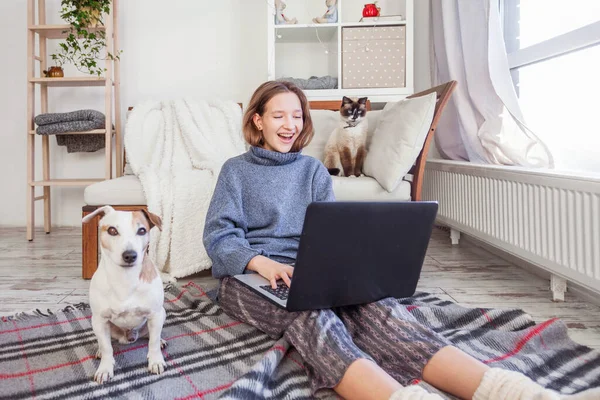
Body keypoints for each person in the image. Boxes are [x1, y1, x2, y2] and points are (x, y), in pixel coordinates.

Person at [202, 81, 599, 400]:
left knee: (381, 309)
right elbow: (218, 235)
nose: (289, 124)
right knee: (312, 318)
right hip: (253, 277)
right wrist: (260, 263)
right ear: (257, 120)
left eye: (296, 115)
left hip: (312, 269)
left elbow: (329, 229)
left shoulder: (312, 170)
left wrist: (346, 267)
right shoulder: (235, 172)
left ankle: (508, 390)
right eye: (278, 116)